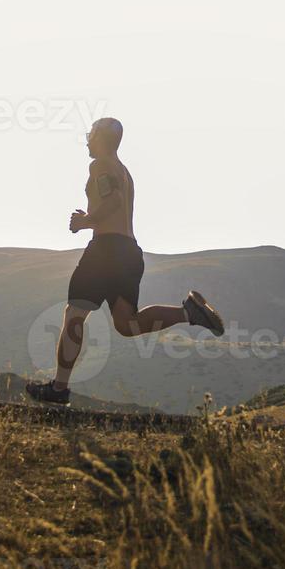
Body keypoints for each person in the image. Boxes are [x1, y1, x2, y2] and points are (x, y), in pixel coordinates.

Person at [25, 117, 225, 405]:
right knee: (127, 324)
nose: (87, 140)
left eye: (90, 135)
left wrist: (86, 221)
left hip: (106, 250)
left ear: (100, 138)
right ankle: (188, 313)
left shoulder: (100, 165)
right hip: (129, 252)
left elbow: (114, 201)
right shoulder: (124, 170)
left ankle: (58, 389)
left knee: (74, 314)